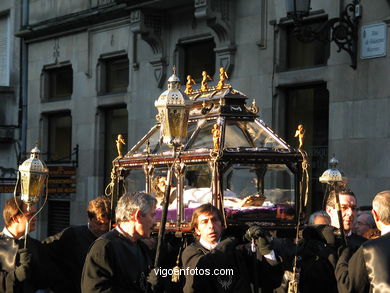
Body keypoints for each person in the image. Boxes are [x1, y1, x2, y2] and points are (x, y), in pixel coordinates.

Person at [181, 203, 282, 293]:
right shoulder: (191, 252)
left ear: (222, 225)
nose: (211, 225)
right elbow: (202, 273)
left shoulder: (237, 250)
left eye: (214, 220)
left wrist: (266, 250)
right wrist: (233, 239)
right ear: (197, 229)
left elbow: (269, 280)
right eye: (204, 222)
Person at [81, 192, 157, 293]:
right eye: (152, 215)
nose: (155, 222)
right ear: (138, 216)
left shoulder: (141, 247)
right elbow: (95, 289)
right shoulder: (104, 248)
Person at [43, 195, 112, 293]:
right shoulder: (72, 234)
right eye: (99, 224)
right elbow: (45, 248)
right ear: (89, 219)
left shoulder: (111, 237)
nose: (103, 228)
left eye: (106, 224)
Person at [336, 190, 390, 292]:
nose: (350, 213)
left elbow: (349, 288)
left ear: (375, 215)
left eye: (353, 208)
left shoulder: (369, 249)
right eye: (343, 208)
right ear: (329, 210)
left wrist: (343, 259)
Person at [0, 196, 55, 292]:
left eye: (35, 214)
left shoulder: (35, 246)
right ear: (15, 218)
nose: (35, 218)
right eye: (30, 215)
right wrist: (17, 275)